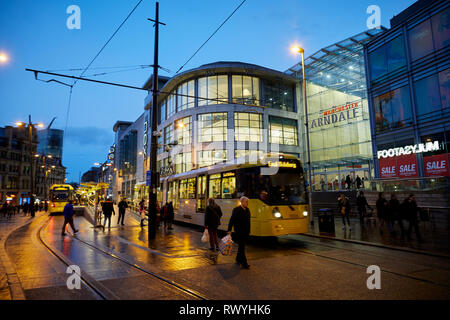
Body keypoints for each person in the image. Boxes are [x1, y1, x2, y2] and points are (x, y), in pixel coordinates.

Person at [228, 196, 251, 269]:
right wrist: (229, 230)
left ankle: (238, 259)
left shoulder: (247, 210)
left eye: (247, 202)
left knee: (241, 247)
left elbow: (248, 221)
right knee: (242, 247)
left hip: (246, 232)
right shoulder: (236, 210)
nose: (247, 203)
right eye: (246, 202)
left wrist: (249, 230)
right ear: (242, 202)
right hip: (239, 232)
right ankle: (244, 263)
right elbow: (232, 220)